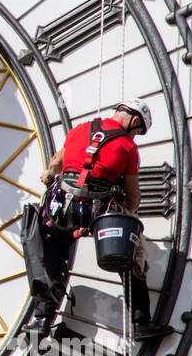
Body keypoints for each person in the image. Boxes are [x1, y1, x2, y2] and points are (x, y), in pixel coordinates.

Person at [24, 98, 171, 340]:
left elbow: (55, 164)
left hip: (61, 207)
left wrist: (50, 176)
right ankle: (141, 321)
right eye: (138, 132)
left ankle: (42, 319)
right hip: (98, 210)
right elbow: (133, 197)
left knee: (50, 246)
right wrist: (124, 214)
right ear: (135, 121)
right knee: (133, 252)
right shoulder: (127, 147)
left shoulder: (79, 130)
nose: (135, 138)